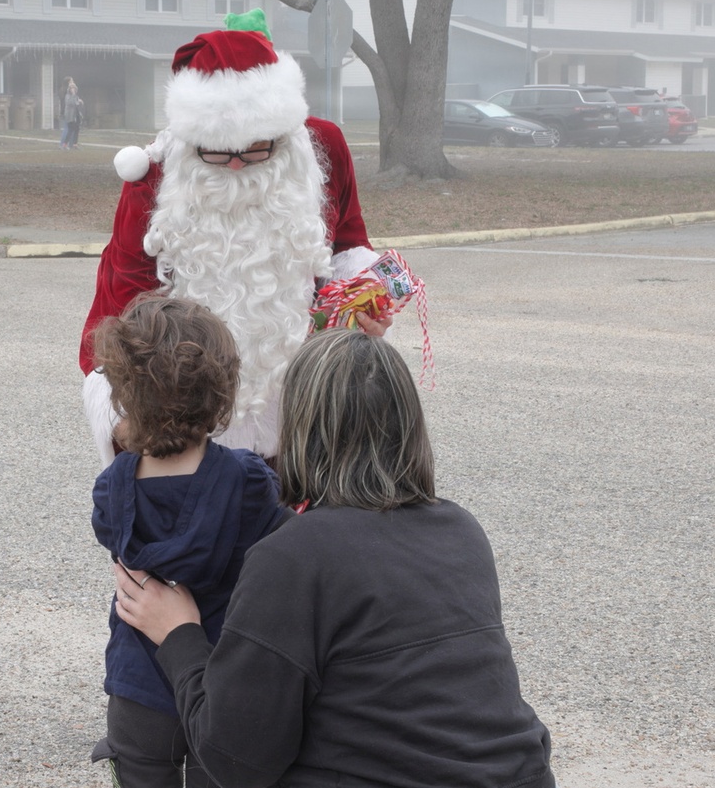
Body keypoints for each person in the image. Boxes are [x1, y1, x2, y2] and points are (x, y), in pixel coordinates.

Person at [113, 329, 557, 788]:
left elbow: (236, 761)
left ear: (301, 428)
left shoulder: (294, 556)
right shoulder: (462, 530)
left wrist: (179, 634)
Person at [80, 9, 389, 465]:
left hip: (308, 414)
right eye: (218, 153)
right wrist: (125, 421)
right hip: (189, 430)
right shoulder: (154, 175)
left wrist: (370, 304)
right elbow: (117, 305)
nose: (239, 164)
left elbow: (347, 247)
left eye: (256, 148)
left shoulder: (321, 149)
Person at [88, 295, 287, 788]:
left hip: (136, 681)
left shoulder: (112, 486)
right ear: (222, 394)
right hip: (217, 680)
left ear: (121, 395)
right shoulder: (249, 480)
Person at [61, 82, 84, 150]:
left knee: (77, 129)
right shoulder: (67, 96)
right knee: (70, 130)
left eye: (74, 88)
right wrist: (75, 97)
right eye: (71, 88)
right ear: (69, 89)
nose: (73, 89)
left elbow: (77, 104)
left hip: (76, 115)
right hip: (70, 116)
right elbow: (70, 103)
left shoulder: (76, 96)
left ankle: (75, 144)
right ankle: (65, 145)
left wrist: (80, 102)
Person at [58, 76, 75, 149]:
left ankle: (70, 144)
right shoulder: (67, 91)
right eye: (71, 81)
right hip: (68, 111)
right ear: (68, 82)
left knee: (71, 128)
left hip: (65, 111)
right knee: (67, 128)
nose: (73, 82)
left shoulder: (62, 90)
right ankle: (63, 144)